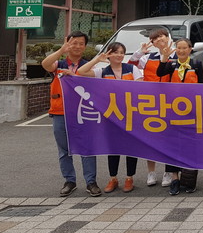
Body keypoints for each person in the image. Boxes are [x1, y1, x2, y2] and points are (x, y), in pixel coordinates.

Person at [77, 42, 143, 193]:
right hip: (111, 116)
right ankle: (113, 178)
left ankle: (129, 178)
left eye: (122, 52)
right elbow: (81, 71)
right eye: (115, 52)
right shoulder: (102, 71)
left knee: (131, 147)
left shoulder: (132, 69)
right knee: (113, 147)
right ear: (109, 54)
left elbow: (140, 88)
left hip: (130, 114)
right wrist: (97, 59)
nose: (119, 55)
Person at [41, 31, 101, 197]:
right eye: (74, 43)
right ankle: (69, 181)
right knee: (64, 149)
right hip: (60, 112)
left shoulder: (89, 65)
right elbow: (45, 64)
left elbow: (95, 83)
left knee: (87, 147)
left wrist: (74, 76)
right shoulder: (58, 64)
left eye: (81, 43)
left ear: (85, 46)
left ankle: (91, 182)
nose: (77, 46)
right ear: (67, 44)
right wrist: (61, 50)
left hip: (83, 112)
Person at [157, 37, 203, 195]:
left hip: (192, 112)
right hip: (173, 111)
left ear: (190, 49)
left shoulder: (196, 64)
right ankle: (174, 178)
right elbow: (159, 72)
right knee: (172, 144)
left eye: (185, 48)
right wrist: (164, 57)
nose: (182, 51)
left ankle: (188, 179)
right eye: (179, 48)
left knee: (190, 143)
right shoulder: (171, 64)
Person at [128, 27, 172, 188]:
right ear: (152, 43)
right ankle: (151, 172)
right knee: (151, 138)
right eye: (155, 38)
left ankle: (168, 172)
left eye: (162, 36)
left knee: (168, 139)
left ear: (168, 37)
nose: (160, 40)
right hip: (150, 103)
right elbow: (131, 66)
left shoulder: (176, 55)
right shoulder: (147, 58)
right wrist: (140, 52)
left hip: (171, 102)